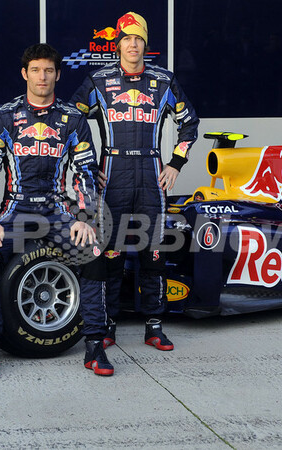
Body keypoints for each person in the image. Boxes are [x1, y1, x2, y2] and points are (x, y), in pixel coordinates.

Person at [0, 43, 112, 378]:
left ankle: (95, 344)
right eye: (35, 70)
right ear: (25, 74)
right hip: (14, 209)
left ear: (58, 75)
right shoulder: (4, 116)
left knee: (93, 251)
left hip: (56, 208)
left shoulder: (73, 118)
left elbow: (85, 171)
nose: (42, 76)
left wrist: (84, 218)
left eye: (48, 70)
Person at [71, 12, 199, 352]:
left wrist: (176, 163)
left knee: (152, 252)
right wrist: (88, 165)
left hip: (151, 172)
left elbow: (190, 123)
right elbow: (70, 122)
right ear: (118, 44)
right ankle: (108, 323)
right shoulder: (99, 80)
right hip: (112, 172)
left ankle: (154, 325)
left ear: (145, 43)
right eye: (127, 39)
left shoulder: (164, 81)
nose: (132, 44)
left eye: (138, 38)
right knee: (111, 253)